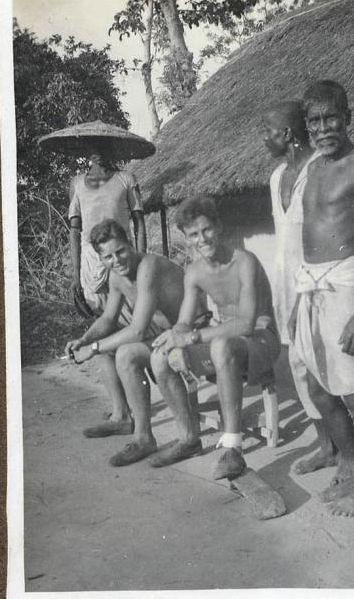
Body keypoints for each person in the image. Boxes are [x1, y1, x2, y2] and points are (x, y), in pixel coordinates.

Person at [291, 80, 354, 516]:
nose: (323, 128)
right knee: (319, 387)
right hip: (311, 287)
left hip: (348, 284)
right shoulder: (312, 167)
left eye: (331, 117)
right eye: (314, 120)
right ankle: (351, 468)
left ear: (348, 117)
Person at [150, 196, 281, 480]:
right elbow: (184, 321)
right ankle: (188, 438)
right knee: (160, 356)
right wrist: (177, 338)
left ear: (218, 227)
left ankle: (233, 448)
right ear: (185, 238)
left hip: (260, 340)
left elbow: (246, 323)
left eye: (206, 230)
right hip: (227, 341)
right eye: (193, 235)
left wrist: (192, 338)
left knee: (220, 346)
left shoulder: (244, 261)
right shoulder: (194, 272)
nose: (202, 239)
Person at [65, 219, 187, 467]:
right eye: (108, 257)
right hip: (163, 333)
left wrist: (95, 347)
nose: (117, 260)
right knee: (106, 348)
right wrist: (85, 340)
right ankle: (122, 417)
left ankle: (143, 437)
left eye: (120, 251)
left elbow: (139, 330)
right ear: (101, 259)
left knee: (125, 353)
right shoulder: (116, 277)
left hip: (188, 332)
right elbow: (109, 318)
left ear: (130, 243)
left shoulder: (148, 266)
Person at [263, 100, 340, 476]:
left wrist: (307, 289)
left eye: (269, 132)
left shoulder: (319, 170)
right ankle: (327, 446)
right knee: (298, 362)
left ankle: (346, 446)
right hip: (286, 283)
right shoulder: (277, 178)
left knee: (327, 361)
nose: (264, 140)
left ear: (288, 134)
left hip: (319, 279)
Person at [69, 153, 145, 318]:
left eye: (104, 147)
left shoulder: (126, 179)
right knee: (97, 312)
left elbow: (139, 221)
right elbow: (74, 230)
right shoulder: (77, 183)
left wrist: (141, 261)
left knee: (131, 311)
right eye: (94, 146)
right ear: (87, 150)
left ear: (111, 147)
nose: (99, 151)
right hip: (90, 262)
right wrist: (76, 275)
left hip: (121, 255)